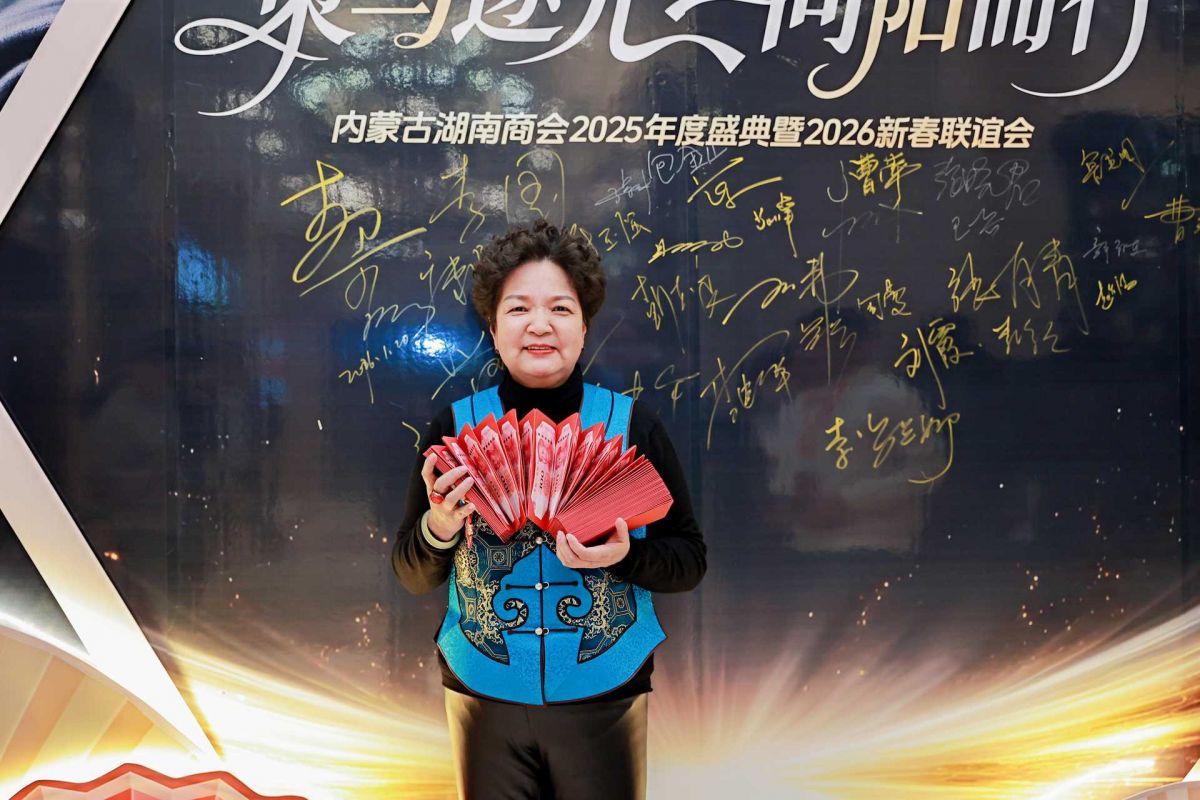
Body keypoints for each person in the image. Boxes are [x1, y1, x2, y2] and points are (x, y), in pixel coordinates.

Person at [393, 219, 706, 800]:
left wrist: (623, 557)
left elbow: (689, 563)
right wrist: (439, 527)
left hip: (607, 693)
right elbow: (413, 576)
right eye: (518, 309)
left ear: (584, 327)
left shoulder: (632, 427)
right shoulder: (454, 430)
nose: (539, 325)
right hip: (480, 693)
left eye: (560, 308)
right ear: (493, 328)